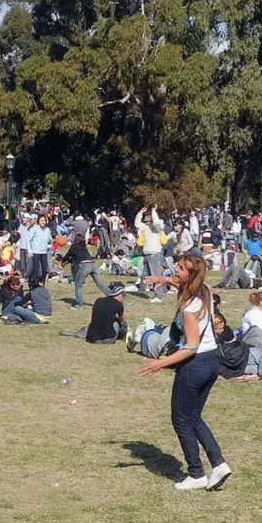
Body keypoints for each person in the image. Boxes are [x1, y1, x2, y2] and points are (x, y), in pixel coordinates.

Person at [137, 255, 232, 491]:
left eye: (181, 269)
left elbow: (191, 345)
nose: (176, 270)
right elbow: (182, 284)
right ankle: (218, 464)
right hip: (211, 362)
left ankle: (196, 473)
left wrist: (160, 363)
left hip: (195, 365)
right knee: (194, 416)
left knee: (180, 419)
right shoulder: (206, 290)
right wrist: (164, 278)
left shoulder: (190, 308)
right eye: (176, 266)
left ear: (191, 275)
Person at [59, 282, 128, 343]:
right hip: (107, 339)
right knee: (117, 322)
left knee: (95, 323)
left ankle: (73, 333)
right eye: (123, 298)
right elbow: (121, 320)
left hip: (92, 337)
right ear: (120, 295)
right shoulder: (119, 305)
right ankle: (123, 336)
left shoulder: (98, 300)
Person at [60, 235, 111, 309]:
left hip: (84, 265)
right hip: (92, 264)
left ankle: (80, 305)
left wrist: (62, 262)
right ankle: (113, 297)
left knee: (78, 285)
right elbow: (75, 258)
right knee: (100, 284)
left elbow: (67, 256)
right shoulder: (84, 248)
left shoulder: (74, 247)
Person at [135, 206, 166, 303]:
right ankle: (142, 290)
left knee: (155, 275)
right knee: (145, 273)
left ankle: (159, 295)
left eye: (149, 216)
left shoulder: (158, 226)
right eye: (147, 216)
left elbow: (156, 222)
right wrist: (140, 212)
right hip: (147, 254)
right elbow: (137, 224)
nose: (147, 218)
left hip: (154, 254)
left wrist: (153, 211)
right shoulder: (146, 227)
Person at [27, 214, 52, 284]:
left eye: (44, 220)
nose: (43, 222)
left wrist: (50, 241)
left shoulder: (47, 229)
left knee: (44, 269)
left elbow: (48, 239)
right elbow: (28, 240)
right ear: (38, 221)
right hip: (35, 251)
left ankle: (42, 283)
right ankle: (32, 282)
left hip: (44, 251)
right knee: (36, 268)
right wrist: (29, 251)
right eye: (41, 220)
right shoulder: (34, 229)